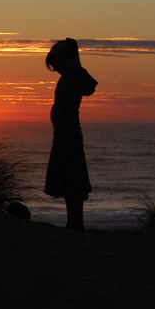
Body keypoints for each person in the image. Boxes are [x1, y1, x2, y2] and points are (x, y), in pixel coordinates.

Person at [44, 38, 98, 230]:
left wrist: (73, 63)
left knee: (73, 175)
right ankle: (73, 222)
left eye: (57, 63)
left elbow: (90, 86)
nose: (56, 68)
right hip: (63, 132)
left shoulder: (75, 74)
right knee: (68, 176)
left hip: (69, 132)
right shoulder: (68, 76)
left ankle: (76, 223)